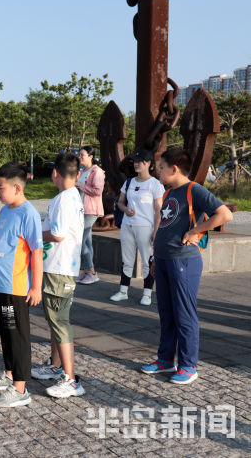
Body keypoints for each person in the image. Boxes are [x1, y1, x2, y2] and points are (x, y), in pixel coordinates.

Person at [140, 148, 232, 385]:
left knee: (184, 314)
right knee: (167, 313)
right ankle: (165, 360)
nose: (157, 171)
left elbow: (223, 215)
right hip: (164, 259)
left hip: (183, 260)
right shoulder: (170, 192)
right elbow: (166, 224)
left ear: (174, 169)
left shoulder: (194, 190)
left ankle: (189, 365)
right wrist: (155, 259)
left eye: (161, 167)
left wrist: (196, 230)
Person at [0, 162, 43, 408]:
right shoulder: (6, 209)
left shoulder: (29, 214)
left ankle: (20, 388)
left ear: (17, 187)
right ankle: (9, 374)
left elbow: (37, 253)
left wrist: (36, 286)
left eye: (0, 187)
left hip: (15, 287)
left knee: (17, 336)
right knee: (6, 332)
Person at [31, 152, 86, 399]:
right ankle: (55, 365)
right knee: (54, 320)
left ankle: (70, 379)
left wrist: (33, 237)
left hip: (60, 269)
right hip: (58, 267)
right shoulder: (70, 196)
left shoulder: (65, 198)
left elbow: (58, 234)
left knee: (60, 321)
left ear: (55, 173)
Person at [110, 149, 164, 305]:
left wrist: (156, 230)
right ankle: (123, 291)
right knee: (127, 260)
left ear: (148, 163)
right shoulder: (129, 182)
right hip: (128, 225)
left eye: (139, 161)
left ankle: (147, 294)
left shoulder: (155, 184)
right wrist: (126, 209)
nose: (136, 164)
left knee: (147, 260)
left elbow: (158, 209)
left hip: (145, 227)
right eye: (135, 161)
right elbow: (120, 202)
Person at [76, 146, 104, 284]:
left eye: (82, 155)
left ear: (91, 156)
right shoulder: (82, 171)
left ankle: (91, 271)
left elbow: (97, 191)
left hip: (91, 210)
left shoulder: (97, 172)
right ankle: (88, 272)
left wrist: (79, 185)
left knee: (79, 240)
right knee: (87, 241)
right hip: (81, 210)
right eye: (79, 154)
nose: (80, 157)